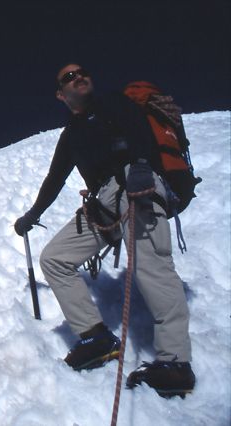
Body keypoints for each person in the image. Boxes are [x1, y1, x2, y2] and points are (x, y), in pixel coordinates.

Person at [13, 64, 195, 397]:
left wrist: (141, 166)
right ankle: (96, 337)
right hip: (103, 203)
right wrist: (32, 215)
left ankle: (176, 363)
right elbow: (54, 180)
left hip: (135, 184)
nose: (78, 77)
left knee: (151, 268)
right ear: (60, 94)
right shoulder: (72, 135)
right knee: (55, 258)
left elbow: (139, 129)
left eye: (81, 72)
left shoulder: (113, 103)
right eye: (69, 77)